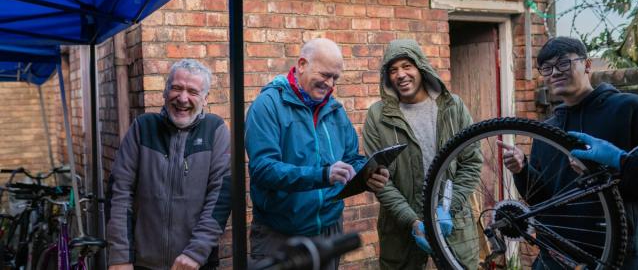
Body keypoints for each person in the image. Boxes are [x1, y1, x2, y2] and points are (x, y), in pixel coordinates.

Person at [245, 38, 390, 270]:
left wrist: (368, 174)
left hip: (328, 230)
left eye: (335, 78)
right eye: (325, 75)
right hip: (280, 234)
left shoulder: (335, 110)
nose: (330, 84)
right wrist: (323, 175)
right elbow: (263, 170)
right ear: (302, 64)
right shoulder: (267, 105)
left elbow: (351, 158)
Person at [501, 36, 638, 269]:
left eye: (564, 63)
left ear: (587, 65)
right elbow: (541, 199)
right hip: (556, 256)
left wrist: (609, 168)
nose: (554, 72)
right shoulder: (547, 131)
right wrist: (522, 169)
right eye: (547, 68)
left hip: (618, 253)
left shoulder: (629, 109)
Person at [362, 39, 483, 269]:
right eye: (393, 69)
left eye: (407, 66)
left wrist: (448, 206)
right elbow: (379, 181)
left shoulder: (452, 107)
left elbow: (471, 162)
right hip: (401, 228)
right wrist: (412, 220)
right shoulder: (377, 116)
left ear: (421, 67)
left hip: (453, 221)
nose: (400, 75)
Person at [106, 59, 232, 270]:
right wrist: (120, 255)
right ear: (165, 92)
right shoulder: (143, 127)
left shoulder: (215, 130)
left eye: (192, 91)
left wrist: (196, 253)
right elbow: (120, 192)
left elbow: (220, 198)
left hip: (195, 263)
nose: (182, 98)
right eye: (176, 88)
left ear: (205, 98)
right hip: (143, 263)